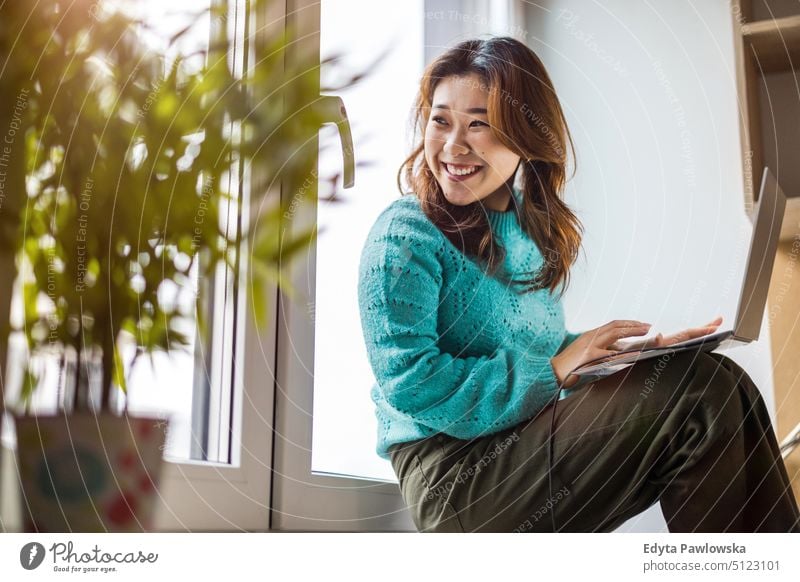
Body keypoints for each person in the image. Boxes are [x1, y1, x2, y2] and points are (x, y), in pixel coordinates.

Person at [356, 36, 800, 533]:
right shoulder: (405, 234)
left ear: (524, 136)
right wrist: (556, 370)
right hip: (455, 478)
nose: (453, 145)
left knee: (720, 381)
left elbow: (544, 352)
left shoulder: (529, 230)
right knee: (698, 392)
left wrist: (628, 358)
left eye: (478, 123)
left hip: (524, 443)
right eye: (441, 120)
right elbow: (413, 383)